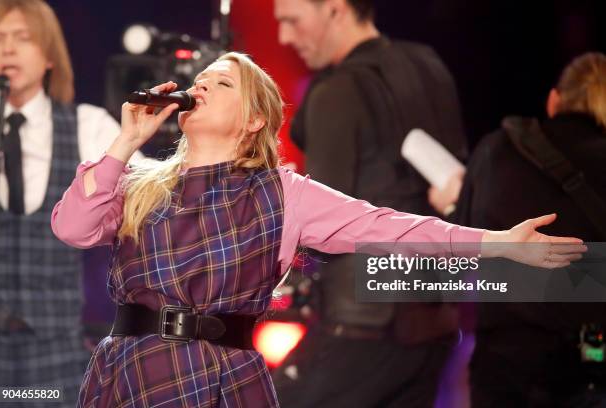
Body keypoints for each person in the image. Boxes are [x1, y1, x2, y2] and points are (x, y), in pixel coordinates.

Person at [51, 51, 585, 407]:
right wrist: (124, 144)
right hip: (130, 370)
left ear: (255, 119)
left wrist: (498, 244)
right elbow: (73, 229)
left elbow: (389, 228)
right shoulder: (135, 180)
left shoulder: (284, 193)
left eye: (221, 82)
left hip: (220, 378)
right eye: (198, 81)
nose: (200, 87)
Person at [273, 0, 469, 405]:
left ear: (335, 9)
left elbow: (319, 224)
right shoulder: (429, 65)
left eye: (293, 21)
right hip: (434, 324)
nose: (284, 37)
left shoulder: (336, 90)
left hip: (363, 326)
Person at [0, 0, 136, 406]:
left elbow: (150, 198)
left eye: (23, 38)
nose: (7, 50)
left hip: (54, 353)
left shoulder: (87, 126)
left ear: (49, 55)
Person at [454, 52, 606, 406]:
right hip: (590, 367)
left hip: (505, 366)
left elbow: (460, 247)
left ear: (554, 100)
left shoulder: (496, 148)